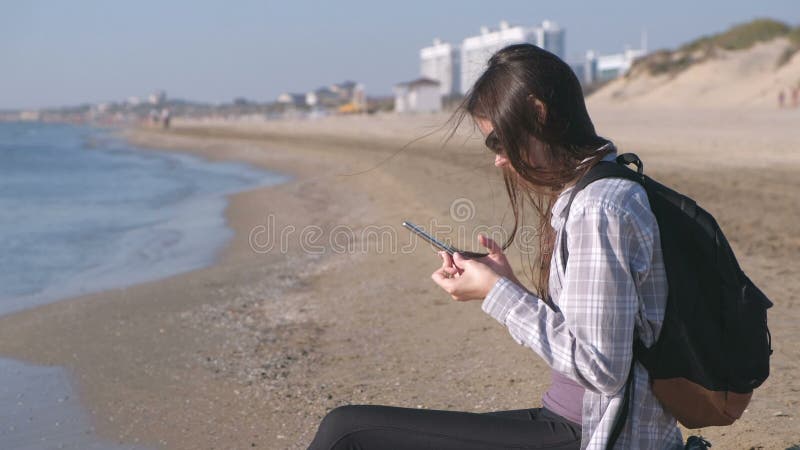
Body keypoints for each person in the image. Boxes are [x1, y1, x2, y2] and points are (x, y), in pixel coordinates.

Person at [306, 44, 683, 449]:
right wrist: (509, 284)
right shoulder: (597, 189)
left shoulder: (598, 207)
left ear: (539, 114)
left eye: (498, 142)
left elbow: (601, 369)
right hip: (571, 423)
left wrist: (496, 293)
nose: (498, 160)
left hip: (596, 435)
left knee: (345, 432)